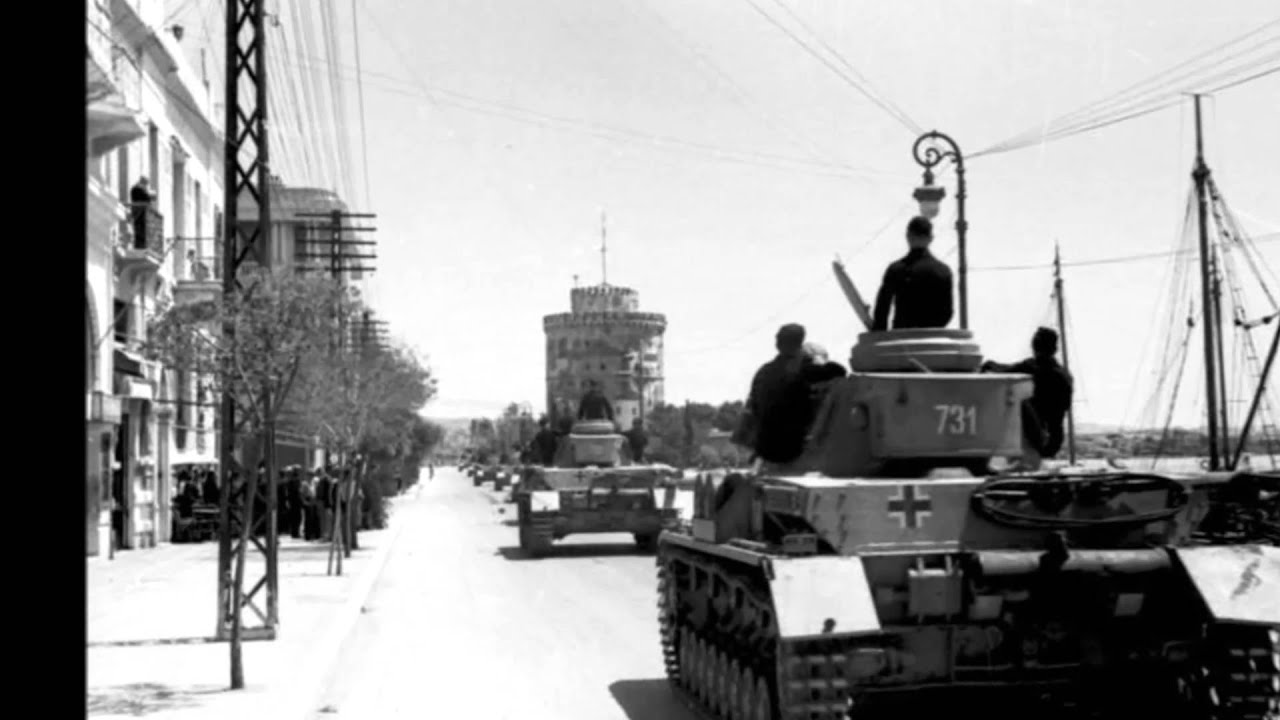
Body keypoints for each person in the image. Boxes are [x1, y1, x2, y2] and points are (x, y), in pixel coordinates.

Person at [982, 327, 1075, 459]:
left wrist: (987, 365)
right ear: (1055, 349)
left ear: (1034, 346)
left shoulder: (1033, 367)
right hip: (1055, 440)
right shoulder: (1065, 375)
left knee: (1015, 400)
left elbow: (1003, 370)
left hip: (1039, 439)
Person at [744, 324, 815, 468]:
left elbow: (754, 409)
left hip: (764, 449)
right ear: (800, 343)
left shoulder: (763, 372)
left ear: (777, 343)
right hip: (794, 449)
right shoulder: (807, 370)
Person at [871, 216, 954, 331]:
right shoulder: (943, 271)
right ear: (931, 238)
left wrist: (879, 333)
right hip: (933, 338)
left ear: (908, 237)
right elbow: (947, 313)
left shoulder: (895, 270)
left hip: (902, 337)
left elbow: (882, 310)